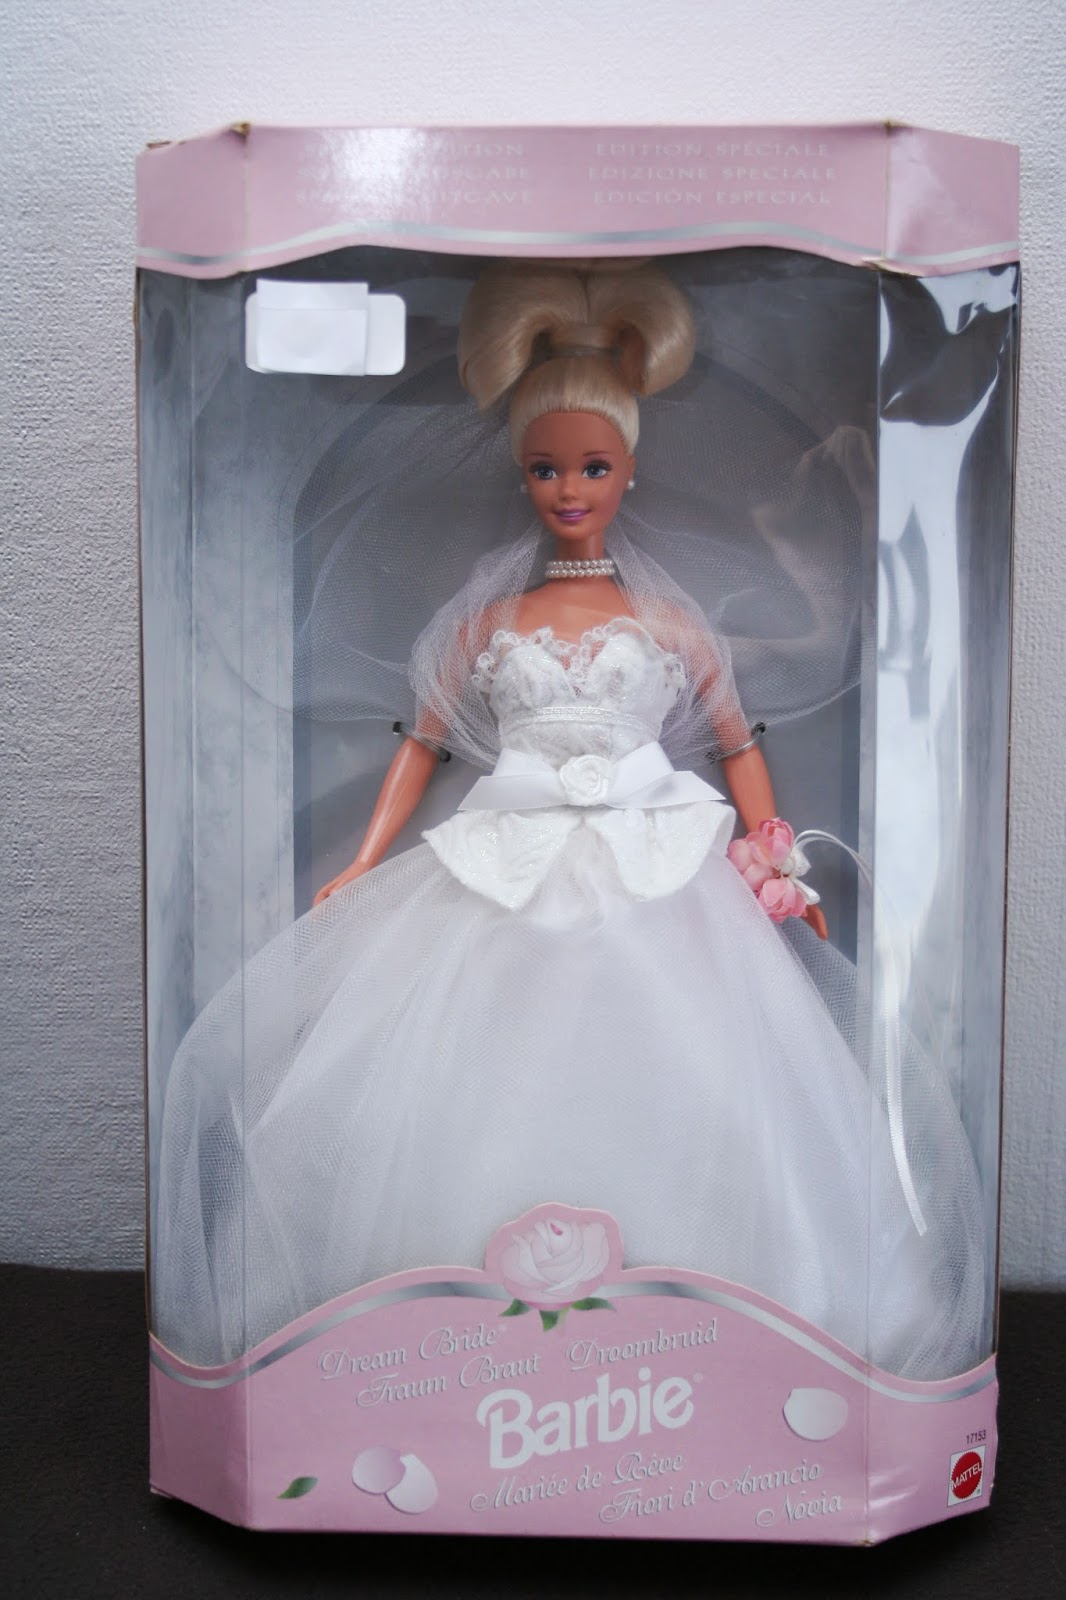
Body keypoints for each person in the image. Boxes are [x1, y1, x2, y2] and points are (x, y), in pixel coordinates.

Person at [153, 263, 987, 1377]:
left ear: (630, 469)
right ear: (521, 473)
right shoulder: (489, 620)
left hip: (660, 871)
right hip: (507, 865)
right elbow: (423, 742)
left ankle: (708, 1341)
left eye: (592, 466)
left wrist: (775, 867)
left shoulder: (670, 623)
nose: (568, 488)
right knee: (470, 1091)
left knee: (697, 1085)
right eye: (546, 467)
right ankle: (440, 1339)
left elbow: (737, 745)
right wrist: (362, 862)